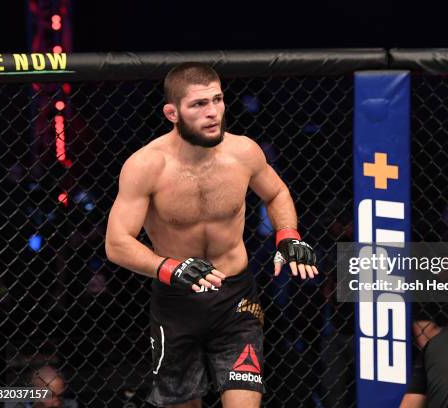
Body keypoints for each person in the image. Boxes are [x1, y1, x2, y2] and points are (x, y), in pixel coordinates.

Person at [105, 62, 317, 408]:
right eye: (199, 104)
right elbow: (116, 243)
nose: (213, 112)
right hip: (176, 303)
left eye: (217, 100)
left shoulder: (243, 152)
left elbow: (276, 193)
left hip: (236, 299)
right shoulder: (146, 166)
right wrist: (171, 267)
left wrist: (288, 236)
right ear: (172, 113)